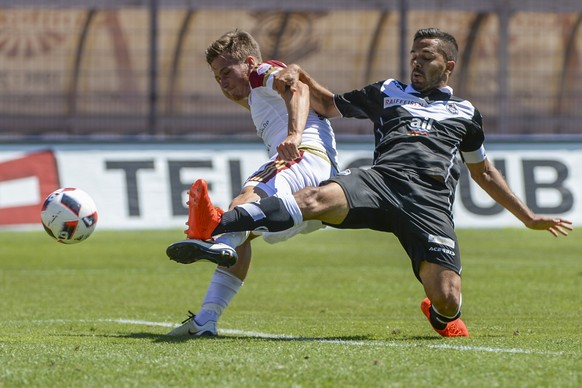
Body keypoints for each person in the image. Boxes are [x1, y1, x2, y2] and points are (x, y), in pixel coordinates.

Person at [167, 28, 573, 337]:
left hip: (429, 202)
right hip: (379, 182)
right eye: (414, 56)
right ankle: (217, 234)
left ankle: (439, 314)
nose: (416, 63)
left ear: (448, 66)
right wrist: (302, 75)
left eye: (426, 58)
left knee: (448, 300)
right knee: (312, 198)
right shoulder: (388, 91)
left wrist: (528, 216)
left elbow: (483, 171)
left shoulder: (467, 113)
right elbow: (328, 106)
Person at [165, 30, 339, 337]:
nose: (223, 82)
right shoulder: (256, 97)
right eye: (217, 78)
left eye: (226, 73)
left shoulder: (262, 72)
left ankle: (213, 239)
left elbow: (296, 87)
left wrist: (294, 135)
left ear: (248, 62)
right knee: (243, 235)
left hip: (306, 159)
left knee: (247, 195)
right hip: (321, 192)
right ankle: (207, 319)